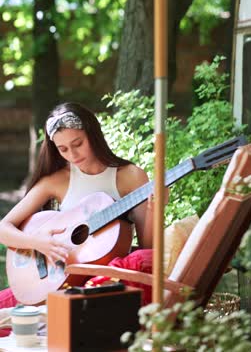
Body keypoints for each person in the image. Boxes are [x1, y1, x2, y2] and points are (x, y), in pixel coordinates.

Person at [0, 102, 155, 317]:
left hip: (104, 280)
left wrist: (154, 209)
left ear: (93, 134)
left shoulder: (130, 176)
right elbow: (3, 229)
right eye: (63, 149)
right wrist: (37, 243)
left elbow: (149, 248)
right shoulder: (57, 180)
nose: (72, 154)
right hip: (58, 278)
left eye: (78, 143)